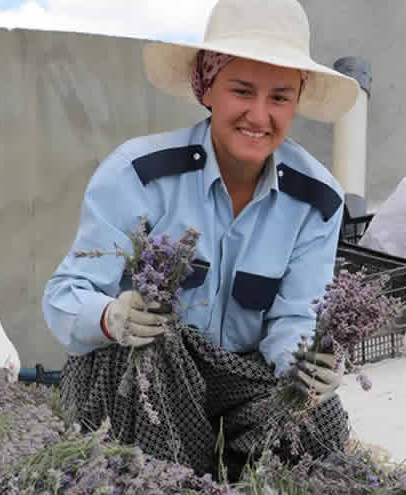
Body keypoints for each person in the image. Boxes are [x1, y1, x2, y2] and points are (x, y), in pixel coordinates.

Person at [43, 0, 360, 479]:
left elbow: (296, 314)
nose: (259, 115)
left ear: (298, 99)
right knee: (154, 352)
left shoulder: (317, 200)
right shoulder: (139, 175)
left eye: (279, 97)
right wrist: (111, 316)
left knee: (318, 422)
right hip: (139, 381)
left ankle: (219, 466)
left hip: (238, 382)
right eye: (241, 91)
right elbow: (64, 296)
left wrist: (305, 362)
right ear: (207, 87)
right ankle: (176, 479)